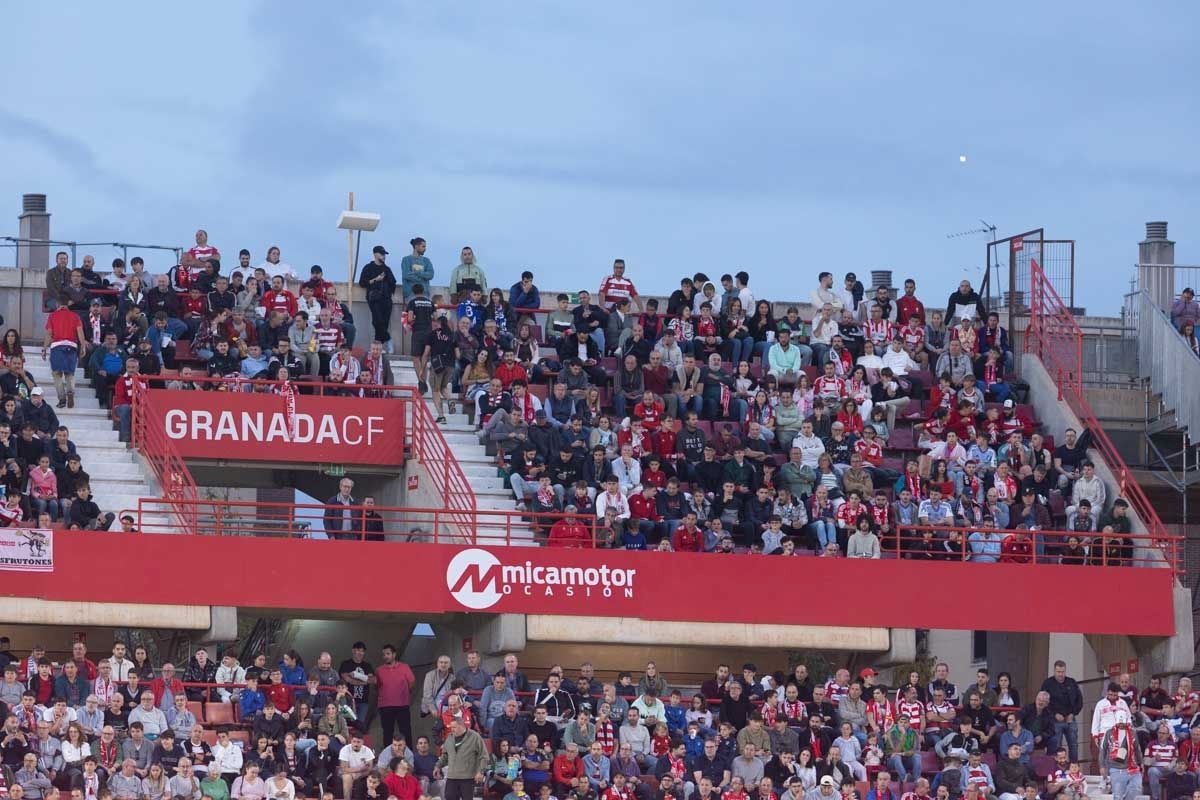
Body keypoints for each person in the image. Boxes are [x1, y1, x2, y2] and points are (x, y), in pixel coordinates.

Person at [41, 301, 88, 409]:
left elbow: (49, 333)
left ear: (58, 304)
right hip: (71, 346)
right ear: (68, 304)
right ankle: (70, 391)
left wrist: (44, 348)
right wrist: (83, 346)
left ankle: (62, 398)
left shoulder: (52, 316)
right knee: (69, 373)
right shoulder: (75, 316)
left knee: (57, 374)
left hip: (57, 346)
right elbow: (80, 332)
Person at [436, 718, 489, 800]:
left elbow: (484, 756)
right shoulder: (449, 738)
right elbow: (445, 756)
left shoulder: (475, 737)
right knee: (449, 797)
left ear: (461, 726)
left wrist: (481, 771)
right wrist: (438, 766)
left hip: (467, 777)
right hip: (452, 776)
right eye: (451, 727)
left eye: (454, 727)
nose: (452, 730)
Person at [375, 644, 416, 748]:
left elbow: (412, 683)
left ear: (394, 654)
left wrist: (403, 693)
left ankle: (408, 755)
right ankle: (388, 757)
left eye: (388, 654)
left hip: (402, 704)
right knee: (387, 732)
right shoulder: (379, 670)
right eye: (384, 654)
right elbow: (376, 686)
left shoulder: (404, 667)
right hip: (385, 705)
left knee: (406, 730)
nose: (385, 656)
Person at [358, 246, 397, 353]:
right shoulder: (368, 268)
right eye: (382, 254)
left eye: (384, 254)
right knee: (377, 321)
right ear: (375, 254)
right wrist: (376, 280)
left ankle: (378, 347)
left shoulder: (387, 269)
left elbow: (393, 282)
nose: (384, 256)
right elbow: (362, 283)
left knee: (383, 323)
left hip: (386, 299)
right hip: (374, 299)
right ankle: (388, 340)